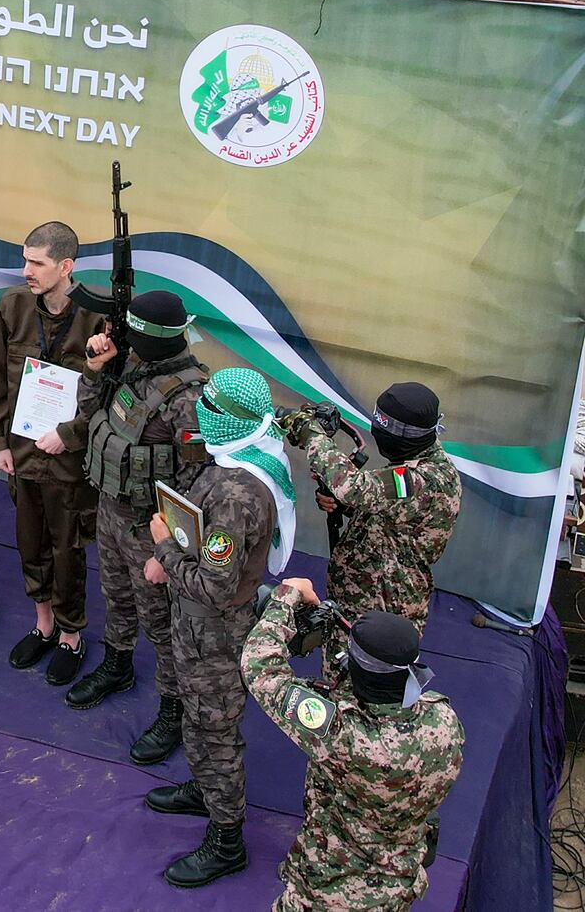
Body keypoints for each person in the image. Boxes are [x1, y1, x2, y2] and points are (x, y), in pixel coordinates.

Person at [141, 367, 295, 888]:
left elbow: (213, 586)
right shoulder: (237, 459)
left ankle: (227, 838)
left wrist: (163, 545)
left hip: (215, 631)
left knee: (215, 729)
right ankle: (204, 790)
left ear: (228, 419)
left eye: (211, 403)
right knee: (197, 714)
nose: (199, 408)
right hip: (200, 625)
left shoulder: (234, 494)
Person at [244, 577, 465, 911]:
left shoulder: (344, 737)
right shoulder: (443, 718)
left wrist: (284, 598)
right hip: (399, 878)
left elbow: (259, 668)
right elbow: (370, 692)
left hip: (332, 890)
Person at [65, 290, 209, 769]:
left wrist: (168, 551)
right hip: (112, 508)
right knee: (116, 597)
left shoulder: (190, 398)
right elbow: (92, 415)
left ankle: (173, 709)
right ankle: (118, 663)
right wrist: (95, 370)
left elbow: (196, 487)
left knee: (163, 625)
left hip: (152, 529)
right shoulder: (131, 366)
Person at [0, 221, 102, 683]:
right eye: (25, 260)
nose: (25, 270)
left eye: (37, 263)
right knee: (30, 544)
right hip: (22, 456)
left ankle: (72, 636)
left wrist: (69, 435)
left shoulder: (95, 319)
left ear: (66, 266)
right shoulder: (13, 307)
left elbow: (109, 398)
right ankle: (44, 626)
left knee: (68, 550)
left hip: (70, 464)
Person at [286, 382, 462, 679]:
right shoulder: (415, 464)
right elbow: (384, 511)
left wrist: (312, 436)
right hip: (360, 599)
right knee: (340, 677)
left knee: (363, 689)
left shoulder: (427, 478)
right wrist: (344, 507)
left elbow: (356, 489)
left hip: (383, 609)